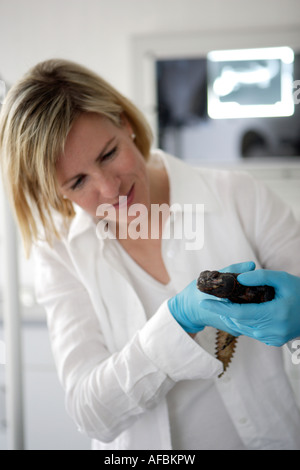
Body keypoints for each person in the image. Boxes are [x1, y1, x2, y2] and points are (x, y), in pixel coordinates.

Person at [0, 58, 300, 451]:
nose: (110, 189)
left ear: (125, 123)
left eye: (108, 154)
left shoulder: (240, 196)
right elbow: (90, 412)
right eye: (77, 181)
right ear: (58, 191)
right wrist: (176, 323)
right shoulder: (59, 256)